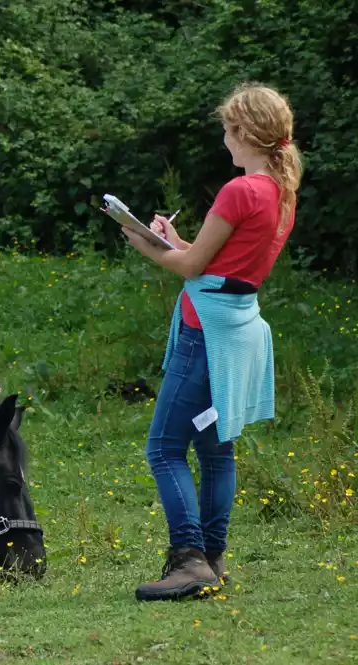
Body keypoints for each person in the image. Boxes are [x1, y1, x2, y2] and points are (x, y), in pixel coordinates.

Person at [121, 83, 302, 601]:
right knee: (216, 450)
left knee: (163, 448)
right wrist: (171, 241)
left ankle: (189, 558)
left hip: (205, 335)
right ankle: (213, 557)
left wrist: (143, 244)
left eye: (227, 130)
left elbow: (193, 266)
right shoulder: (279, 191)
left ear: (244, 131)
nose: (224, 140)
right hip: (238, 325)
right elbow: (215, 260)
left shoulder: (240, 190)